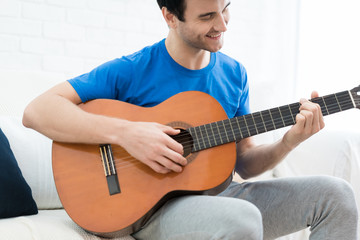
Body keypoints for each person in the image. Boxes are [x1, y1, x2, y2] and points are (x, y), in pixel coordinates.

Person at [23, 0, 358, 239]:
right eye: (207, 16)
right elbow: (37, 111)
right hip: (152, 209)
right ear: (170, 16)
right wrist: (128, 134)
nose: (223, 24)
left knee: (337, 195)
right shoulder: (133, 68)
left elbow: (245, 163)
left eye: (226, 8)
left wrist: (289, 141)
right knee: (241, 219)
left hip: (223, 195)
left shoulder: (233, 73)